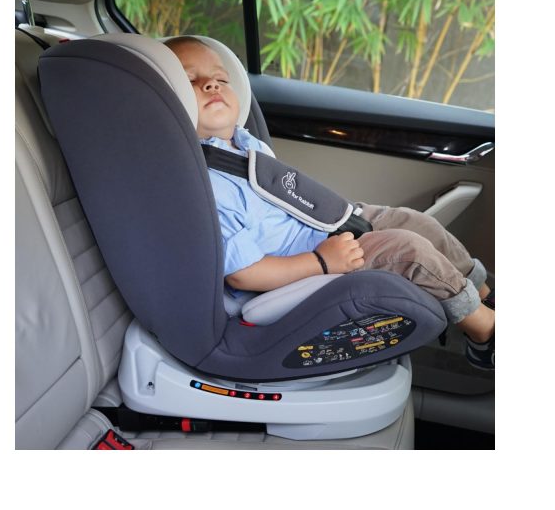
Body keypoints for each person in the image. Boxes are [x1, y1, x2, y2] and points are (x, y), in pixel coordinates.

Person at [164, 36, 495, 370]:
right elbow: (244, 275)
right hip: (303, 260)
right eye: (191, 80)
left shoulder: (245, 144)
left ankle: (483, 292)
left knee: (417, 222)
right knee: (409, 250)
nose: (211, 85)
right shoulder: (204, 186)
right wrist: (320, 262)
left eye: (221, 79)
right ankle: (484, 331)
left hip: (325, 228)